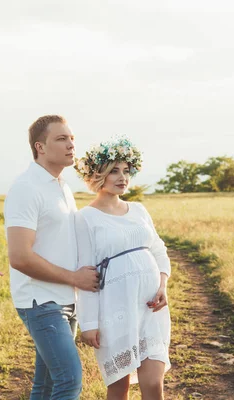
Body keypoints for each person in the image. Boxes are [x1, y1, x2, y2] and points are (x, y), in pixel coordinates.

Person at [4, 115, 99, 400]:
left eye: (72, 138)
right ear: (40, 147)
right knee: (69, 380)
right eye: (61, 139)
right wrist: (74, 278)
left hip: (66, 299)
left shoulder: (62, 187)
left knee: (45, 386)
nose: (71, 145)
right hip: (41, 300)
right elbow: (20, 256)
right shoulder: (26, 188)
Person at [74, 137, 171, 400]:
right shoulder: (84, 218)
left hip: (150, 306)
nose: (122, 177)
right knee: (119, 388)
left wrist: (162, 285)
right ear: (98, 174)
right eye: (114, 170)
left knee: (153, 383)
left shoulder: (139, 210)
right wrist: (89, 323)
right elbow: (87, 274)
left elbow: (158, 250)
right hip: (114, 309)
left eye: (126, 171)